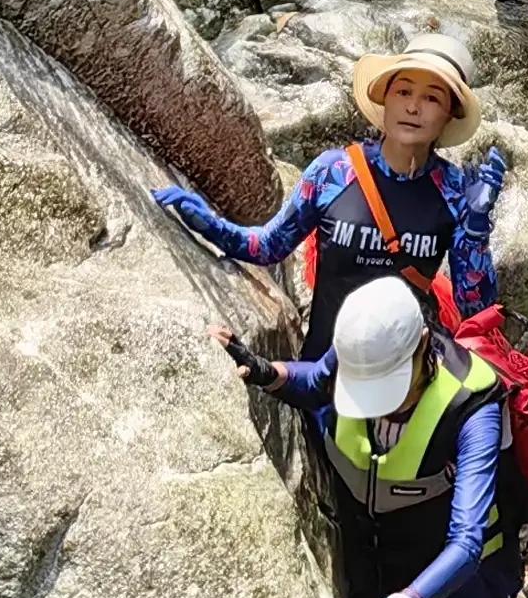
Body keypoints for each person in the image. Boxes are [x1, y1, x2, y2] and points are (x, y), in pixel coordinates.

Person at [226, 275, 524, 598]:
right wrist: (265, 371)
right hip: (386, 547)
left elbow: (467, 540)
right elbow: (316, 384)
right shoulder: (363, 349)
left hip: (469, 565)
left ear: (423, 346)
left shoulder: (474, 406)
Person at [150, 36, 501, 359]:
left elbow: (476, 311)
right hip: (323, 372)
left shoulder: (455, 191)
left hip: (407, 381)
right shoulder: (334, 172)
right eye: (404, 92)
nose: (413, 107)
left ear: (448, 115)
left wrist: (476, 229)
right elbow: (269, 247)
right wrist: (212, 227)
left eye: (431, 98)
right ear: (385, 98)